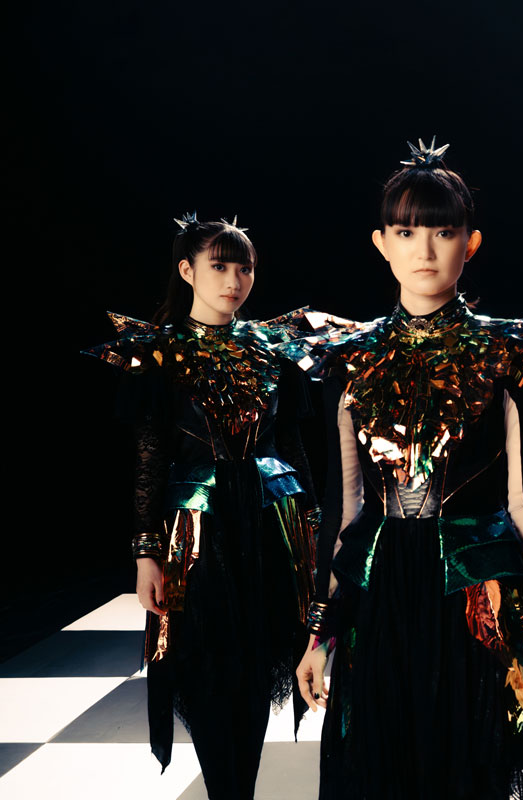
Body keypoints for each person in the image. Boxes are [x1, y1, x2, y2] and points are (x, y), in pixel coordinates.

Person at [289, 139, 523, 799]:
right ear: (381, 243)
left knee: (472, 765)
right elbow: (343, 505)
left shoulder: (509, 354)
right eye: (406, 232)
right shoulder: (350, 358)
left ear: (470, 243)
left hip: (475, 589)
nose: (424, 250)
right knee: (381, 767)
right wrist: (318, 631)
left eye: (443, 232)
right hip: (380, 587)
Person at [84, 215, 319, 799]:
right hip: (196, 534)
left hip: (268, 527)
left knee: (257, 665)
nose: (234, 281)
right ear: (187, 271)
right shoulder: (160, 355)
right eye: (219, 266)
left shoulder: (272, 350)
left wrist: (315, 533)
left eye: (245, 268)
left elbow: (292, 448)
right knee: (209, 668)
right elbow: (150, 460)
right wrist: (145, 553)